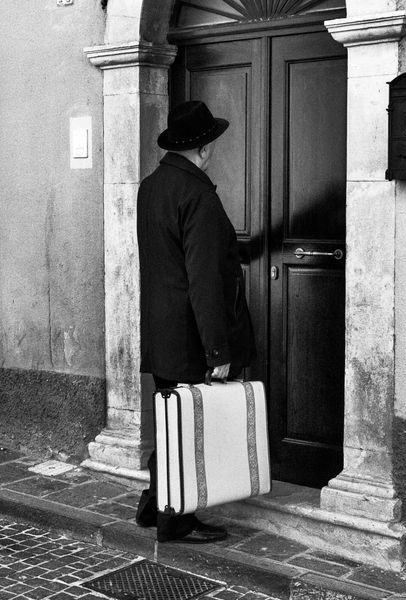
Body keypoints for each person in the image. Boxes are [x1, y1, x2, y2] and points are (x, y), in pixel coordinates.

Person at [134, 100, 256, 543]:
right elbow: (202, 279)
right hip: (192, 337)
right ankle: (177, 520)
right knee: (187, 429)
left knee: (169, 421)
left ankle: (155, 504)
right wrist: (218, 351)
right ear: (203, 149)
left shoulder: (152, 186)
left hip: (164, 331)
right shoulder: (197, 194)